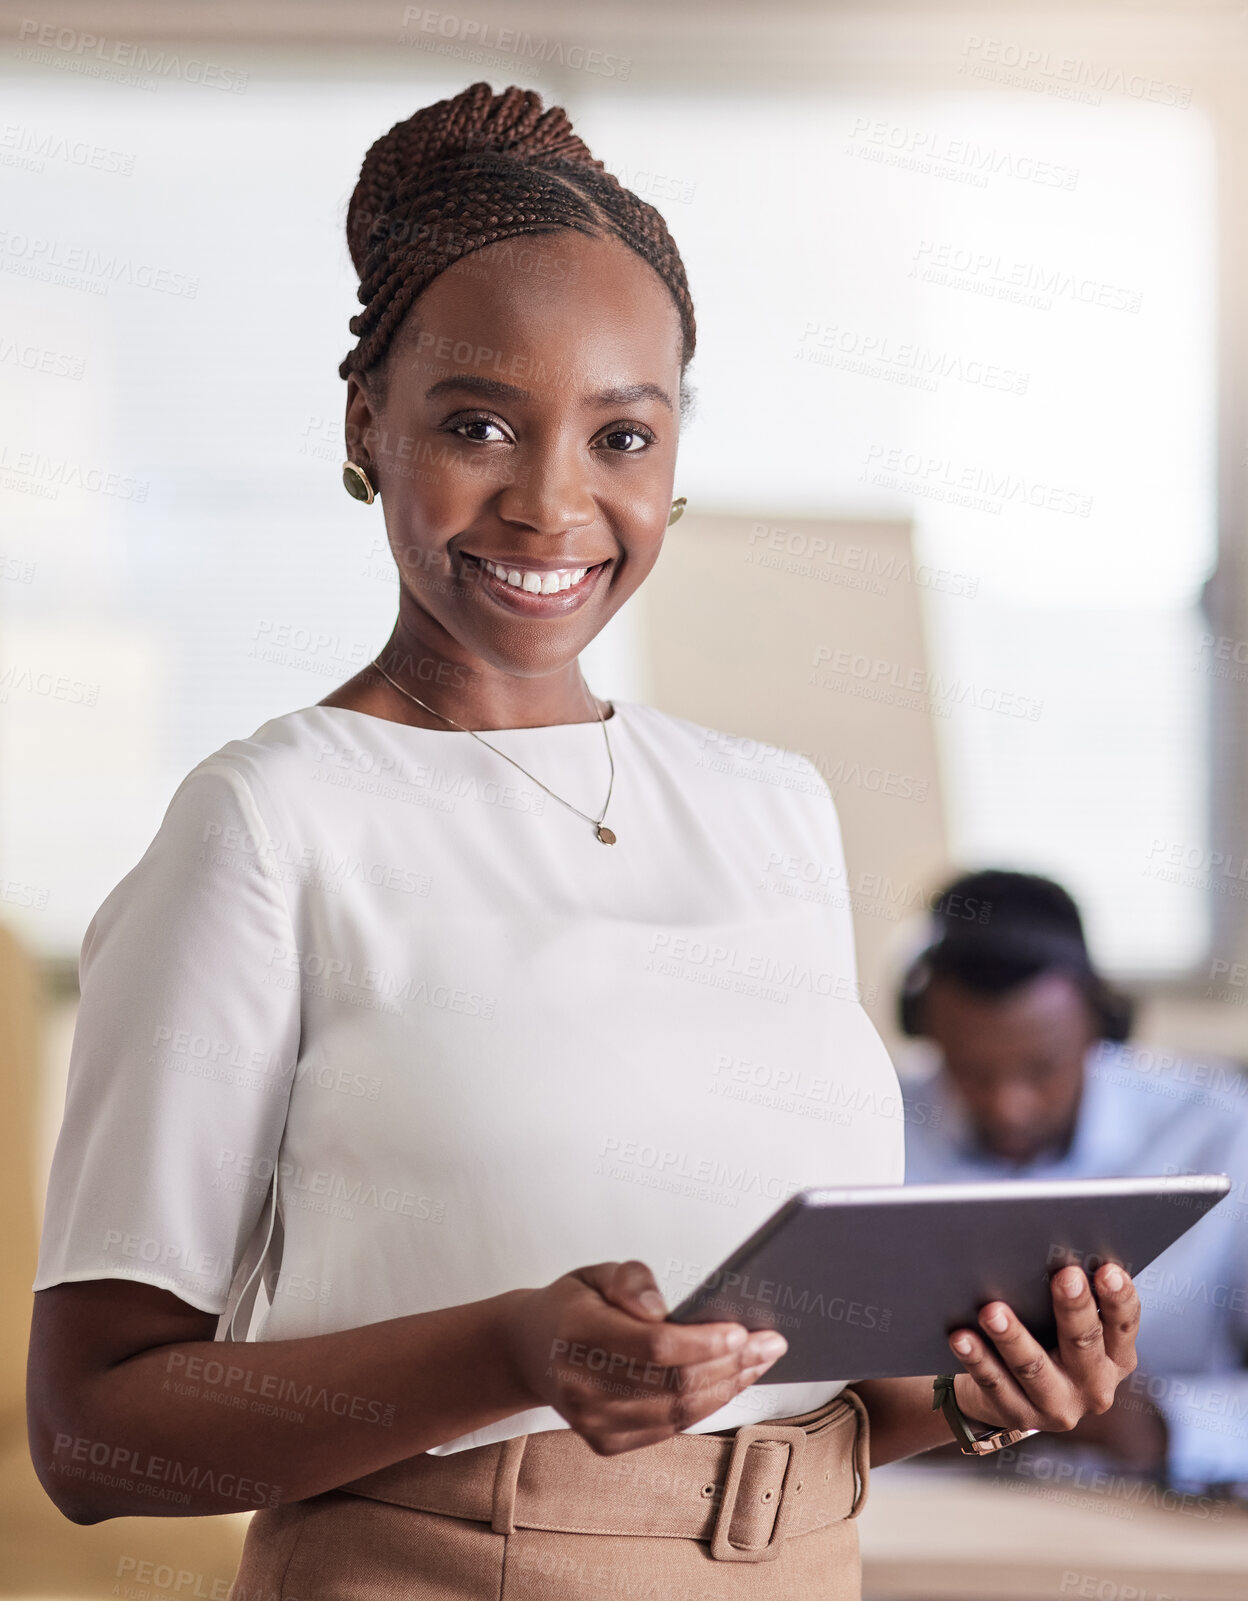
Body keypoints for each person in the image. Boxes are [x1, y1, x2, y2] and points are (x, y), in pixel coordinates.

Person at [26, 84, 1141, 1599]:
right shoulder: (270, 822)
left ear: (674, 455)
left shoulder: (775, 810)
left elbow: (795, 1384)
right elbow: (94, 1433)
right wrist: (506, 1348)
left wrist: (981, 1390)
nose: (554, 501)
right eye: (479, 422)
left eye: (621, 432)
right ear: (367, 422)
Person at [900, 868, 1248, 1496]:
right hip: (926, 1508)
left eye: (1043, 1068)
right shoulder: (874, 1124)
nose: (1010, 1107)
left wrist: (1161, 1424)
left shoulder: (1221, 1129)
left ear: (1101, 1021)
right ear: (925, 1026)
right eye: (971, 1070)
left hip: (1154, 1512)